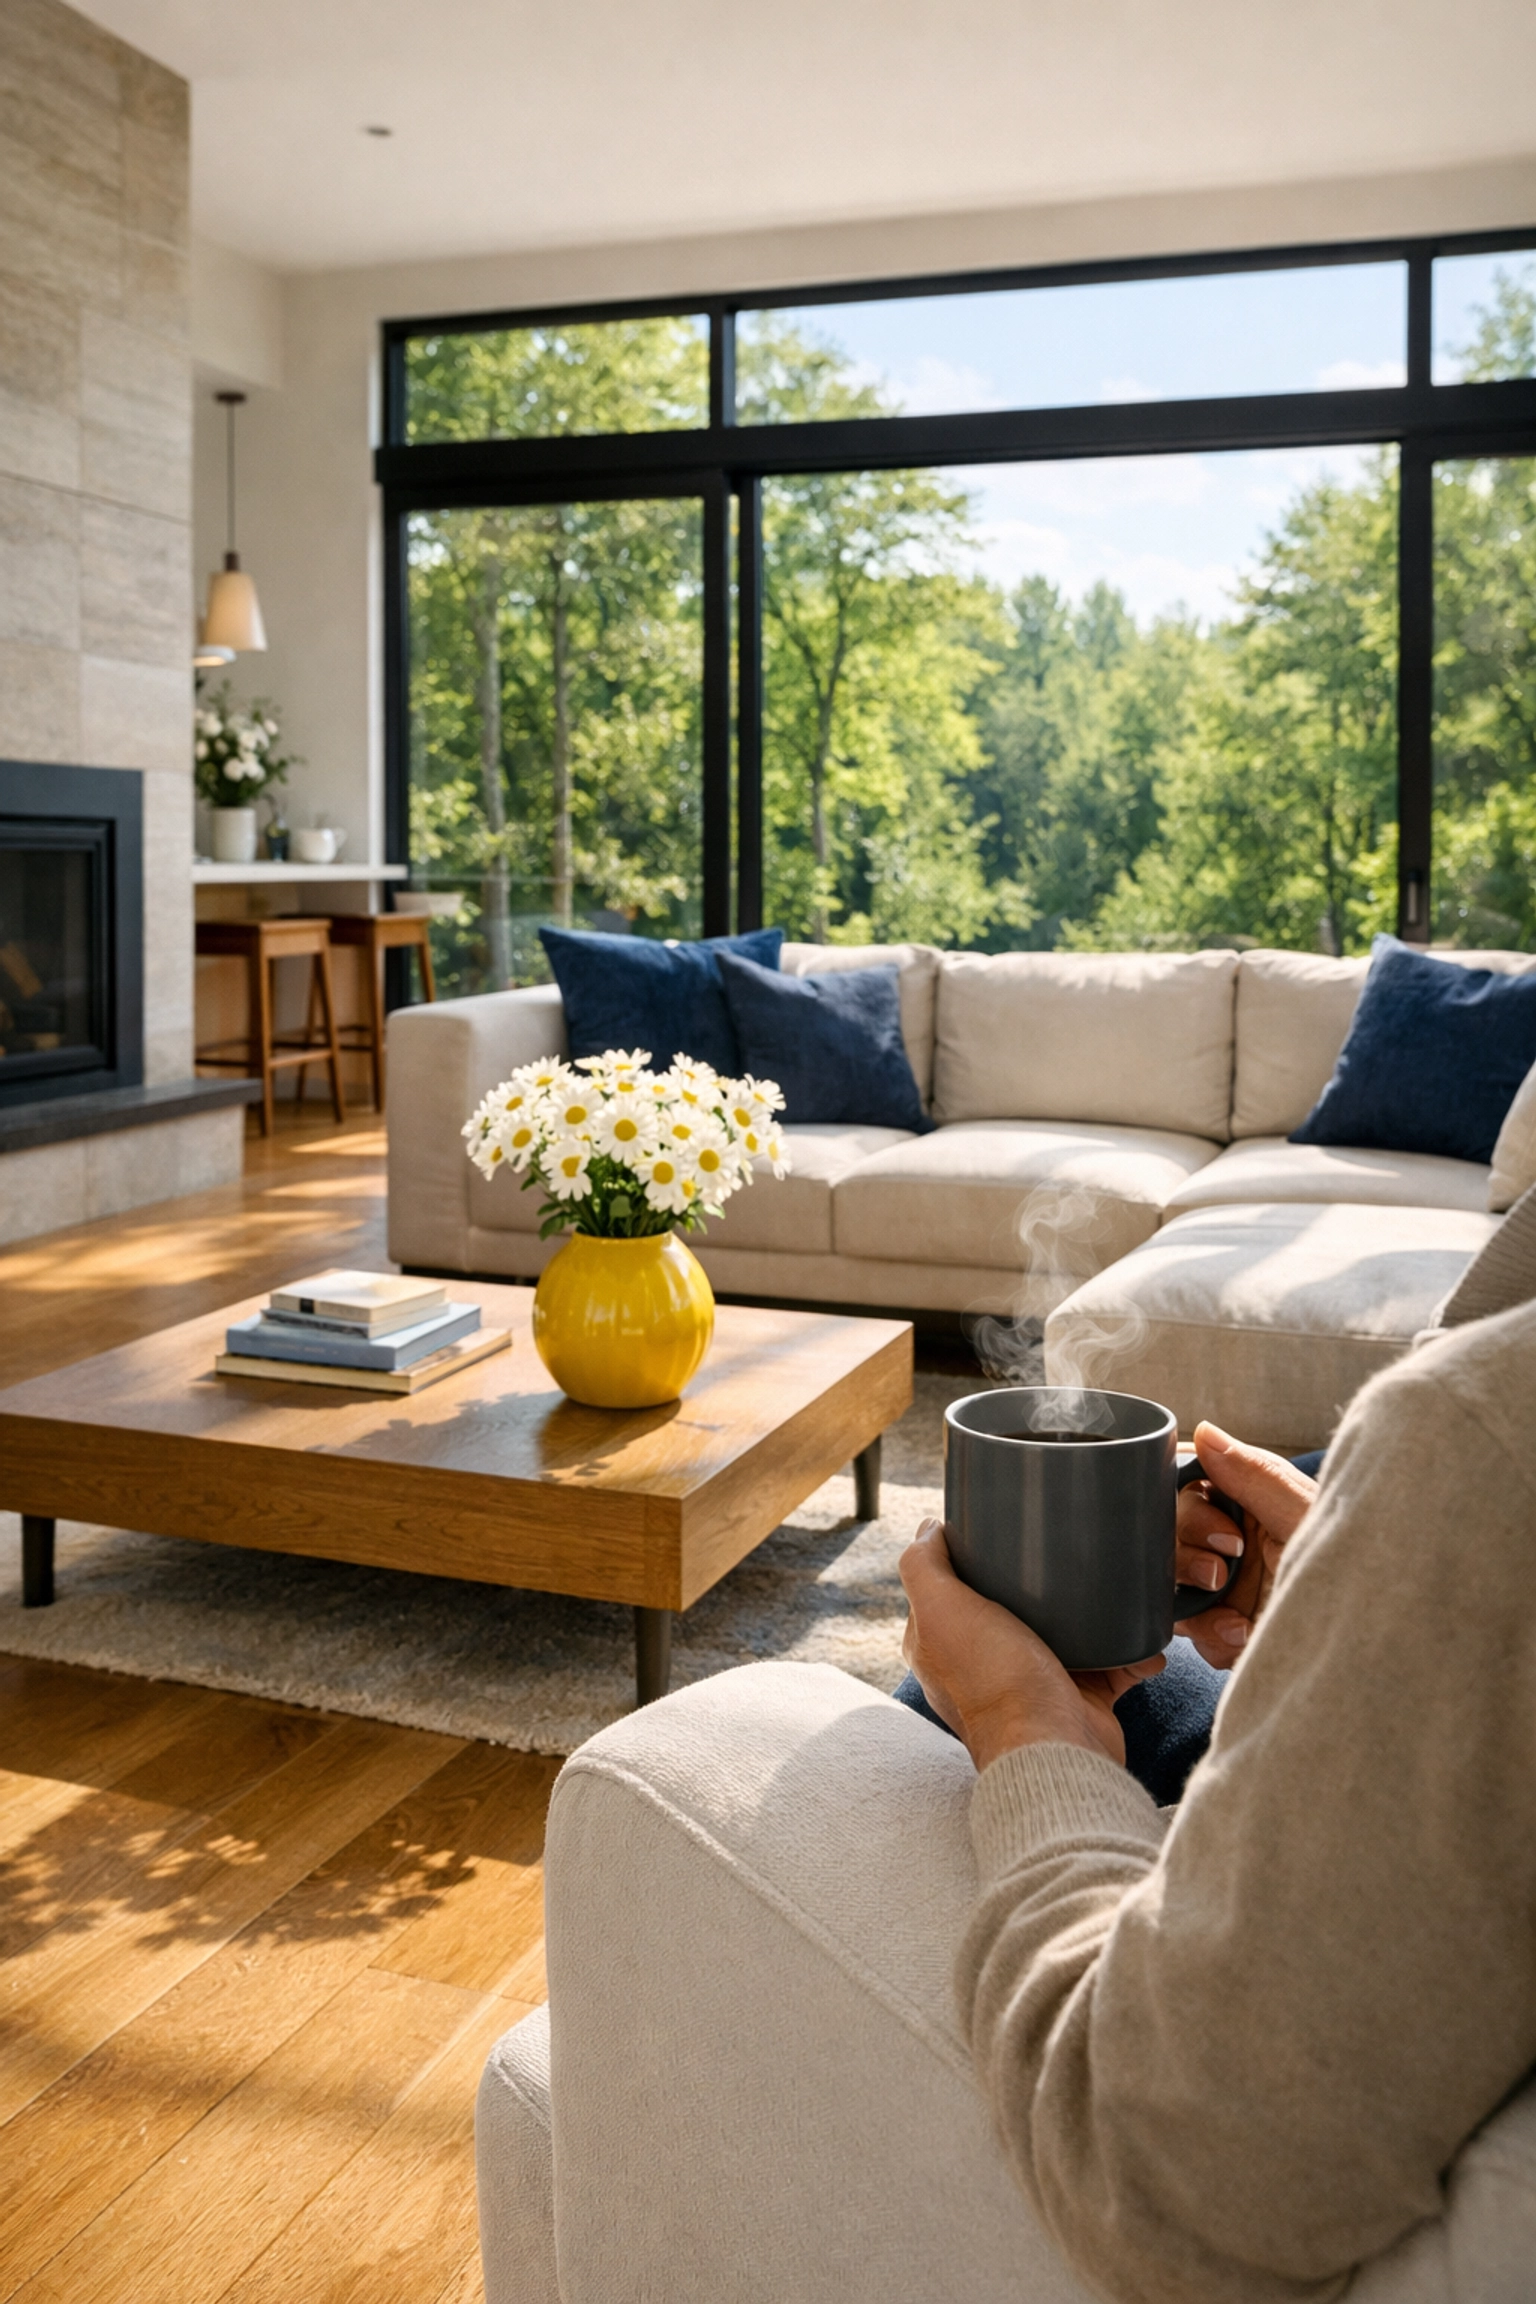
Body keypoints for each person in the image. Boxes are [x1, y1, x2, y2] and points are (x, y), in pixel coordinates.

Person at [897, 1295, 1536, 2302]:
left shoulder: (1479, 1430)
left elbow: (1165, 2179)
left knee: (932, 1700)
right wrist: (1365, 1598)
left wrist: (1019, 1723)